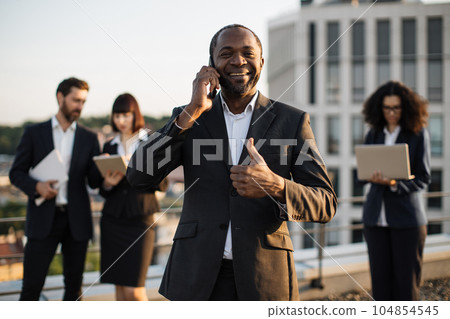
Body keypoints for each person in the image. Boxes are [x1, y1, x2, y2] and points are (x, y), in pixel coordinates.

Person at [127, 24, 337, 301]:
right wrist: (192, 110)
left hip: (265, 279)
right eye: (227, 54)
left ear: (261, 61)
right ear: (211, 65)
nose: (238, 60)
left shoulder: (292, 122)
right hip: (195, 278)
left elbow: (325, 202)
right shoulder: (189, 117)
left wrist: (276, 185)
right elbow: (138, 176)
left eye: (247, 53)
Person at [9, 77, 102, 300]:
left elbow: (93, 181)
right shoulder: (34, 132)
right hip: (43, 220)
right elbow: (16, 173)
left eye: (83, 102)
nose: (80, 106)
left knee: (74, 290)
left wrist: (105, 170)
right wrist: (37, 186)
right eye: (75, 100)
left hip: (77, 222)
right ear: (60, 97)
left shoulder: (89, 138)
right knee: (31, 288)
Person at [361, 81, 431, 300]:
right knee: (380, 289)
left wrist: (394, 184)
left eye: (396, 108)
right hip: (375, 220)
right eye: (387, 108)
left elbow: (424, 177)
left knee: (406, 289)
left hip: (407, 221)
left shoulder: (418, 134)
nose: (391, 113)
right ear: (379, 109)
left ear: (406, 108)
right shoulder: (374, 134)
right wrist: (369, 176)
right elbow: (360, 173)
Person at [99, 93, 167, 301]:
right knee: (119, 289)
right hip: (113, 220)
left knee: (134, 290)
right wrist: (107, 184)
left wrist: (137, 168)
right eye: (117, 116)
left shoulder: (150, 142)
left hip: (140, 221)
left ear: (135, 115)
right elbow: (102, 189)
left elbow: (162, 184)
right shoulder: (109, 146)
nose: (120, 121)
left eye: (125, 116)